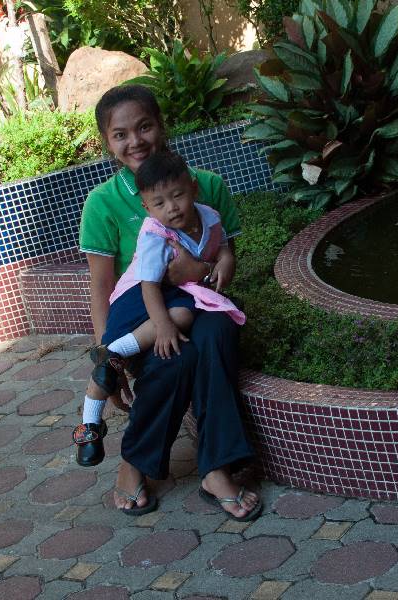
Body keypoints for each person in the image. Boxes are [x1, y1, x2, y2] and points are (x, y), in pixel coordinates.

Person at [72, 84, 262, 521]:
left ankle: (216, 468)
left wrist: (199, 270)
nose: (135, 141)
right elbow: (101, 287)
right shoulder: (102, 203)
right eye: (120, 134)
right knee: (172, 357)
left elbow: (223, 256)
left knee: (216, 333)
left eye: (144, 127)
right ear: (107, 143)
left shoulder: (205, 185)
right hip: (142, 310)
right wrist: (107, 354)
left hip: (199, 300)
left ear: (162, 126)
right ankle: (134, 461)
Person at [72, 151, 246, 456]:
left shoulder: (209, 216)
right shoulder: (155, 233)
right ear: (147, 208)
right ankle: (90, 424)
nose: (172, 208)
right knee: (114, 364)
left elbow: (219, 248)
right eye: (160, 203)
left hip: (176, 292)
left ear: (193, 188)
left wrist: (225, 258)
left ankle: (113, 354)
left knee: (185, 315)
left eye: (178, 196)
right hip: (135, 297)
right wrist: (163, 326)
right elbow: (149, 286)